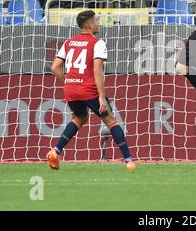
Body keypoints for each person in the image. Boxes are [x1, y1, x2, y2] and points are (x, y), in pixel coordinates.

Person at [47, 10, 135, 170]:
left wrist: (69, 82)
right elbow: (97, 71)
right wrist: (101, 97)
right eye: (96, 20)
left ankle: (56, 150)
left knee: (79, 118)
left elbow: (54, 67)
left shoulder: (69, 42)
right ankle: (128, 160)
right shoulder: (97, 43)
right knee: (111, 121)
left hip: (71, 89)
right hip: (89, 89)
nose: (98, 23)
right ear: (89, 25)